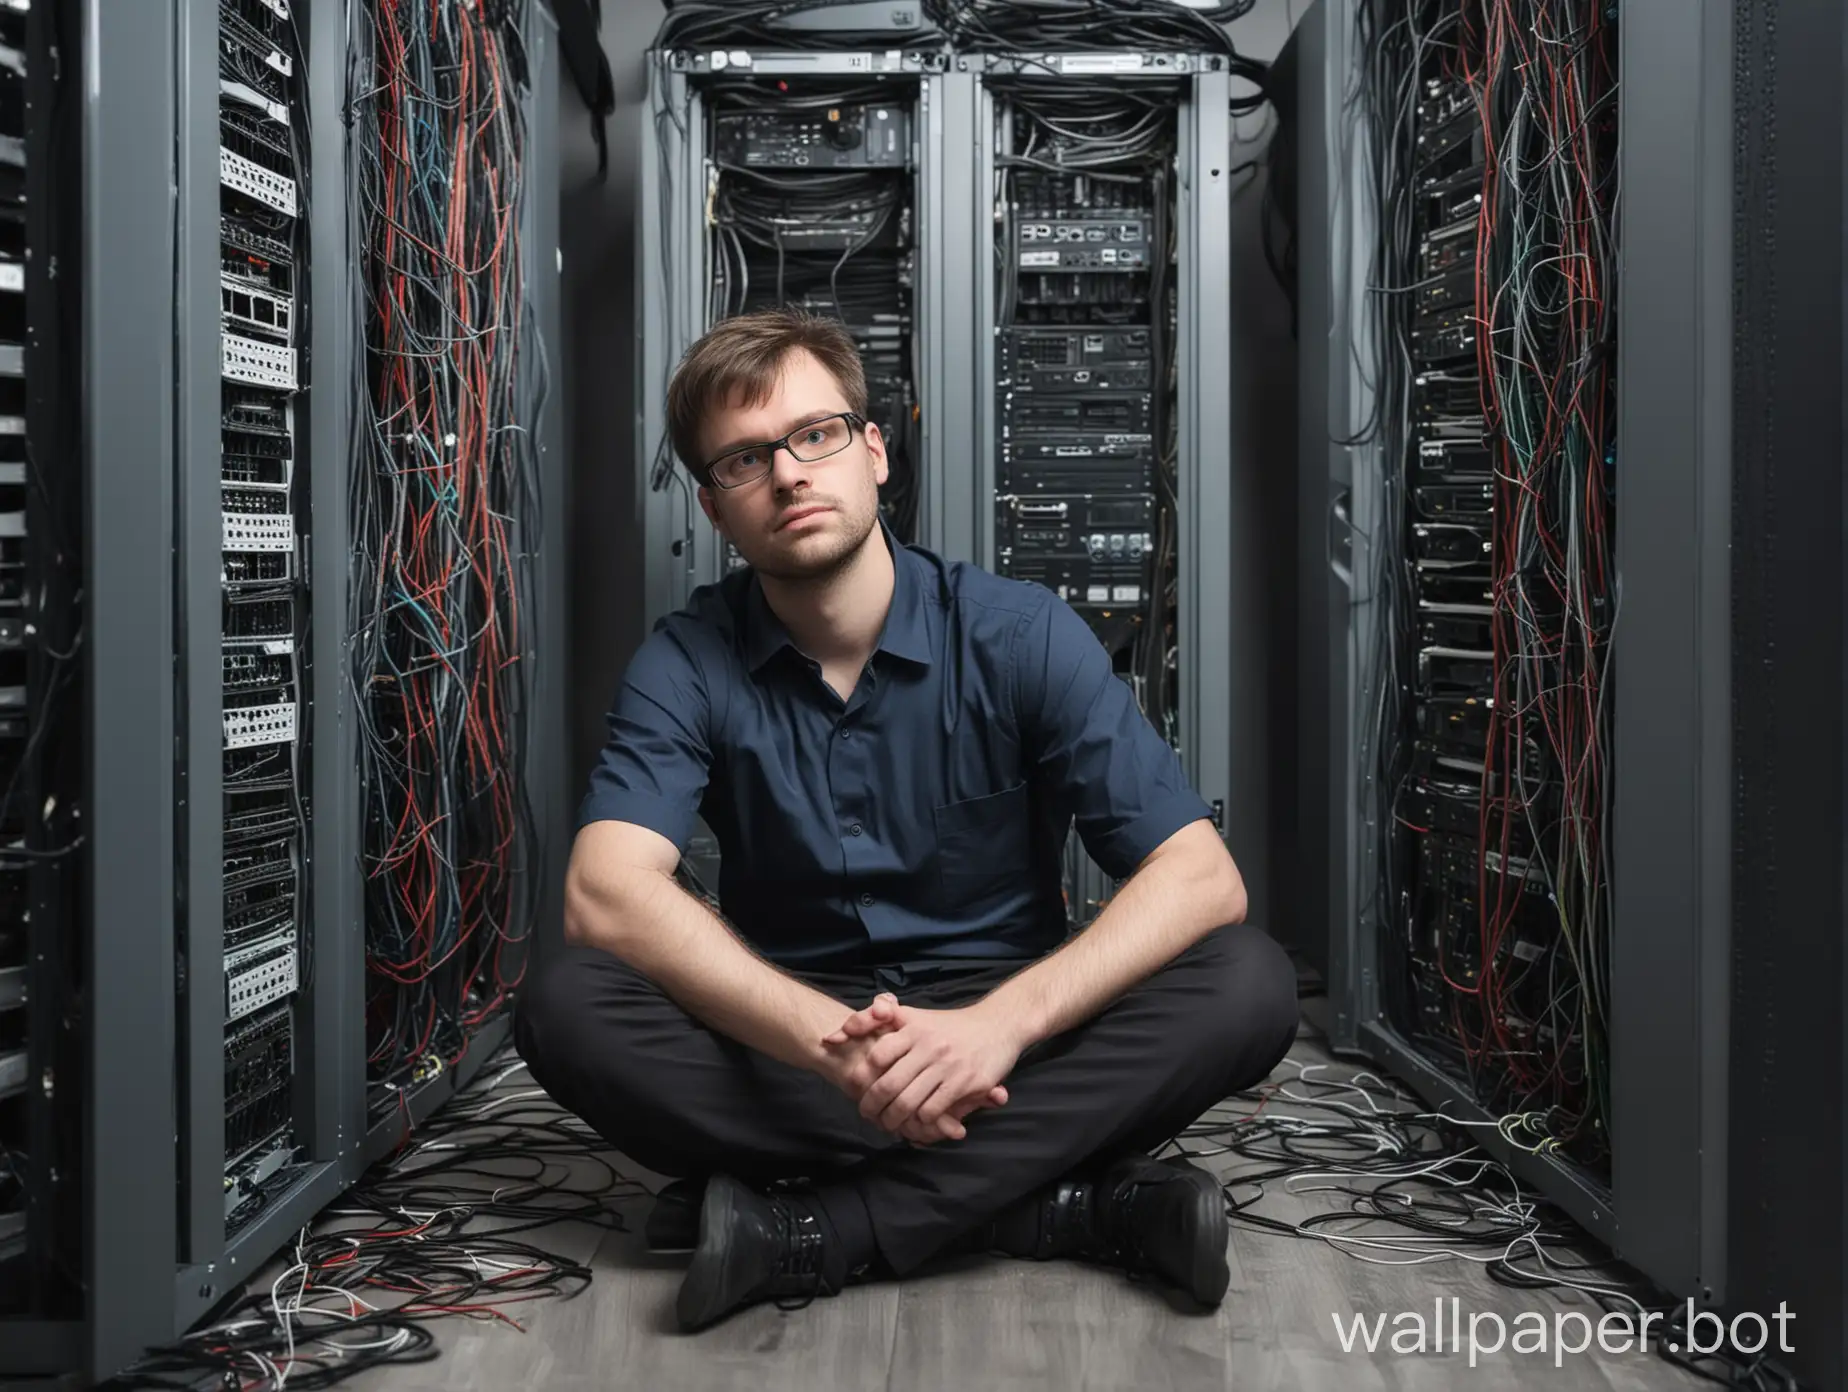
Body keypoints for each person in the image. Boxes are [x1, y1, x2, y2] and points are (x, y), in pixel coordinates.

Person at [515, 307, 1299, 1332]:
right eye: (746, 460)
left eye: (816, 435)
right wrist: (829, 1046)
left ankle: (817, 1232)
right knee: (565, 1003)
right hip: (800, 1036)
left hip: (1007, 1032)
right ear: (716, 508)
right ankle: (1063, 1203)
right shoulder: (687, 661)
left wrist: (996, 1030)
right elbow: (603, 894)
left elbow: (1202, 878)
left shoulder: (1019, 635)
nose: (791, 473)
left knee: (1248, 981)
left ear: (873, 451)